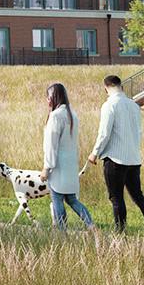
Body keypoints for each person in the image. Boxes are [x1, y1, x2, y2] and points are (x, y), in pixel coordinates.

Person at [89, 74, 144, 234]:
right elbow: (139, 132)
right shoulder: (134, 105)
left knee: (117, 199)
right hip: (134, 159)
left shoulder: (109, 105)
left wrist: (94, 153)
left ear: (106, 87)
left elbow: (104, 133)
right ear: (121, 86)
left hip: (115, 159)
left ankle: (120, 233)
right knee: (138, 196)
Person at [41, 82, 95, 230]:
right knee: (72, 199)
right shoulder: (72, 114)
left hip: (58, 165)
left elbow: (51, 144)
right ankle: (91, 225)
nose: (47, 101)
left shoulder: (56, 116)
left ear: (53, 97)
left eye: (48, 97)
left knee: (57, 198)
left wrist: (47, 167)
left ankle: (62, 231)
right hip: (71, 164)